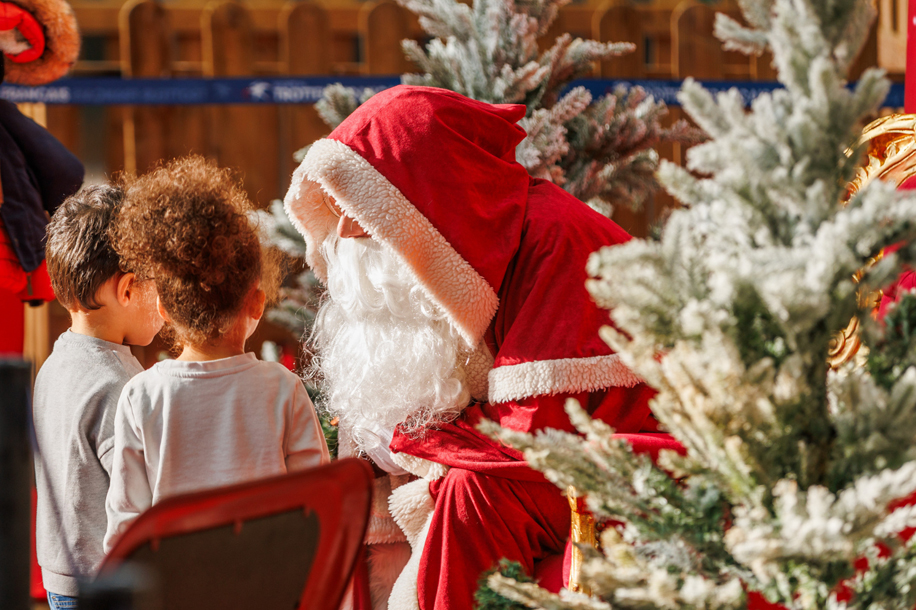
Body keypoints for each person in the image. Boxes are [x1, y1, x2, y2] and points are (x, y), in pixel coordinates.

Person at [284, 85, 661, 610]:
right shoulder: (461, 261)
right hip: (562, 457)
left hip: (625, 457)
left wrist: (416, 441)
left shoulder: (556, 238)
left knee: (474, 495)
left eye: (359, 207)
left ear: (419, 201)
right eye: (336, 208)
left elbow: (537, 432)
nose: (343, 230)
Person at [103, 156, 330, 552]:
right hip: (269, 587)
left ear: (163, 309)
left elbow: (125, 530)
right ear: (256, 303)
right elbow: (319, 505)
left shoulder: (142, 396)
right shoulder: (283, 389)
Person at [32, 184, 163, 610]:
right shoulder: (119, 385)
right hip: (105, 586)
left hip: (60, 575)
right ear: (127, 290)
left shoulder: (56, 362)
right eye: (158, 286)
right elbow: (142, 503)